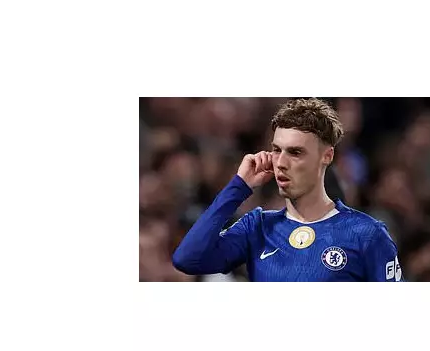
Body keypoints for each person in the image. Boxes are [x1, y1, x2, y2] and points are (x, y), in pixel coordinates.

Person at [172, 98, 403, 282]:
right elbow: (187, 259)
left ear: (327, 156)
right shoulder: (257, 227)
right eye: (276, 150)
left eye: (295, 152)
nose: (280, 163)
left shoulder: (366, 234)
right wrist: (239, 186)